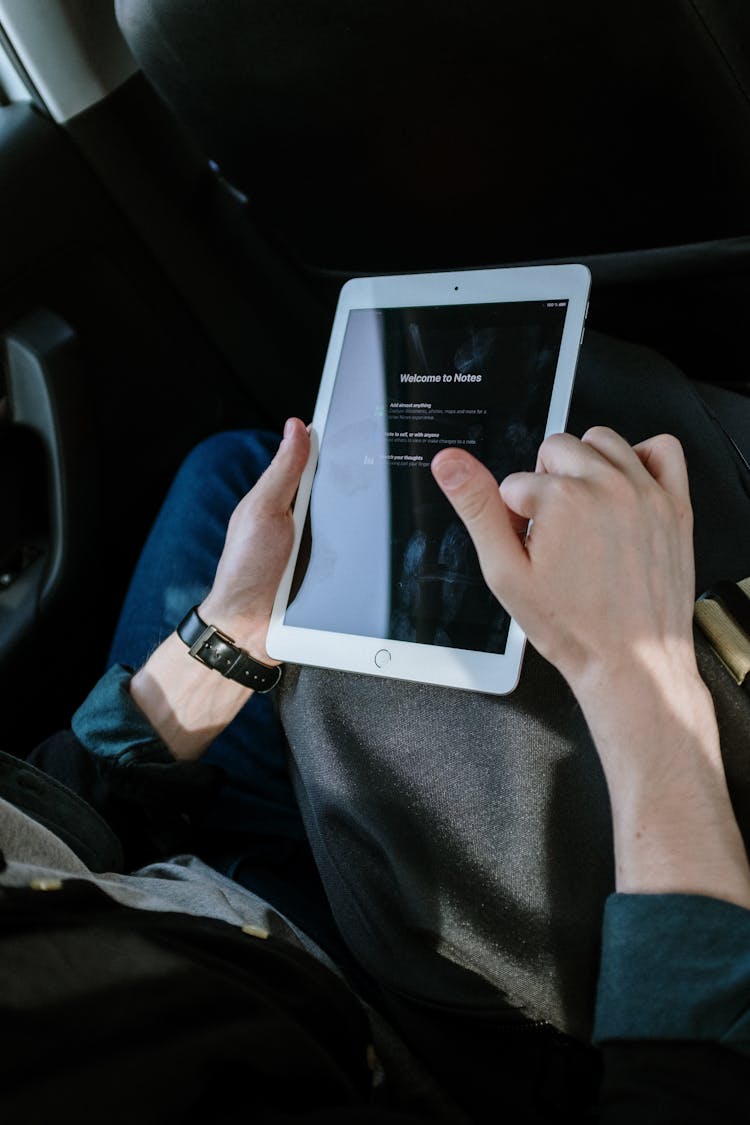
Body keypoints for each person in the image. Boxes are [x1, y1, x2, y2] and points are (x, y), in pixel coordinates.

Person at [2, 335, 750, 1122]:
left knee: (232, 473)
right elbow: (692, 1081)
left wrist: (226, 639)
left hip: (167, 885)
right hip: (378, 1026)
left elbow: (35, 834)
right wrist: (640, 668)